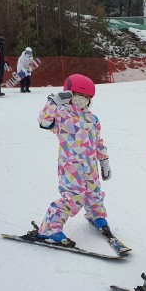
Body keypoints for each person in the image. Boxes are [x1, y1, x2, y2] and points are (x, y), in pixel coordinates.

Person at [34, 73, 112, 243]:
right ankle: (49, 228)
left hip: (90, 165)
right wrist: (53, 102)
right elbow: (44, 122)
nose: (82, 100)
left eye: (86, 97)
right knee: (73, 197)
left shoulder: (92, 119)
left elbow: (98, 141)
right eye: (78, 95)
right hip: (71, 166)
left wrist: (104, 160)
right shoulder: (62, 116)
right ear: (69, 95)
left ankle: (95, 214)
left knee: (93, 192)